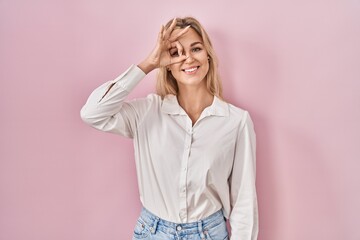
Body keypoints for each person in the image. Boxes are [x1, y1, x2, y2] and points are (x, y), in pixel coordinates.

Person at [81, 17, 258, 240]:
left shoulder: (236, 121)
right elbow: (92, 113)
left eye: (196, 48)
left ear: (208, 56)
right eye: (176, 53)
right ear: (167, 65)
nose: (188, 58)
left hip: (209, 233)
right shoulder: (147, 112)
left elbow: (244, 201)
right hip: (152, 232)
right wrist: (149, 63)